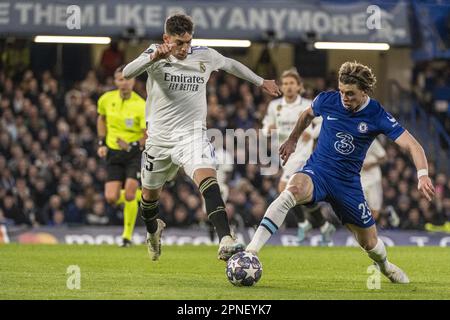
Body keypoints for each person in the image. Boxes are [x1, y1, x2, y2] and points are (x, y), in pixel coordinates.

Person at [247, 61, 435, 283]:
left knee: (369, 244)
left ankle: (385, 266)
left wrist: (422, 173)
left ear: (364, 92)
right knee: (292, 189)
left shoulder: (376, 113)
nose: (344, 97)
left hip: (348, 185)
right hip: (319, 171)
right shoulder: (328, 100)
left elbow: (413, 145)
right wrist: (293, 139)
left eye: (350, 94)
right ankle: (251, 252)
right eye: (342, 91)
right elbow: (306, 115)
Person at [123, 14, 280, 261]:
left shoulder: (204, 55)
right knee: (149, 199)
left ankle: (225, 239)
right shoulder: (155, 53)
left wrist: (261, 82)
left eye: (188, 42)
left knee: (208, 177)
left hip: (192, 135)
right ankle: (153, 231)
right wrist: (154, 57)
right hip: (159, 140)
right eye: (178, 43)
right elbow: (126, 73)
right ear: (166, 38)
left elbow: (230, 64)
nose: (184, 48)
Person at [262, 68, 335, 245]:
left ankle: (303, 223)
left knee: (283, 188)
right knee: (300, 193)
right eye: (285, 83)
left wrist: (314, 134)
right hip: (284, 155)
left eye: (291, 83)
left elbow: (323, 122)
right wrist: (267, 129)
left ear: (299, 87)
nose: (288, 87)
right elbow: (266, 125)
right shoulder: (275, 106)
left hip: (303, 154)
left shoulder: (308, 105)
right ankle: (324, 225)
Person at [97, 65, 146, 247]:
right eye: (120, 79)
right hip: (113, 152)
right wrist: (101, 143)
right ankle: (147, 196)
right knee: (111, 197)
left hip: (133, 154)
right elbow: (101, 119)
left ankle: (126, 237)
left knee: (130, 194)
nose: (124, 83)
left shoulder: (141, 105)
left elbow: (146, 134)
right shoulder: (105, 99)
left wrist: (132, 145)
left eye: (127, 79)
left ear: (133, 81)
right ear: (115, 81)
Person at [361, 138, 386, 221]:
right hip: (359, 179)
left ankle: (370, 229)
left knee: (375, 209)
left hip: (373, 179)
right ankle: (363, 229)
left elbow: (384, 157)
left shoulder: (371, 141)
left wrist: (371, 164)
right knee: (360, 206)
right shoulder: (348, 142)